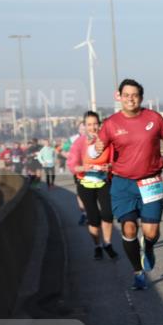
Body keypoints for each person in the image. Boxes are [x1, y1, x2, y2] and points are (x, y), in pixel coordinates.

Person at [96, 78, 163, 290]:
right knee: (129, 229)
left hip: (150, 181)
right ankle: (138, 272)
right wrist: (95, 150)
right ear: (119, 96)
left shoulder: (153, 118)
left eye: (135, 95)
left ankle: (148, 247)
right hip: (122, 184)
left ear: (140, 97)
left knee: (151, 232)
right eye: (126, 95)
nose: (130, 99)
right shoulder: (111, 124)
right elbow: (97, 150)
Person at [67, 111, 118, 261]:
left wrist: (109, 166)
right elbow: (72, 166)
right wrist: (85, 168)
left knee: (108, 214)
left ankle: (107, 243)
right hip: (85, 185)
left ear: (100, 124)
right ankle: (97, 246)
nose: (93, 127)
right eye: (89, 124)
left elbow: (114, 161)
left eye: (95, 123)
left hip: (103, 183)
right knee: (93, 218)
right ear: (85, 126)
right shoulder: (79, 142)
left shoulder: (107, 141)